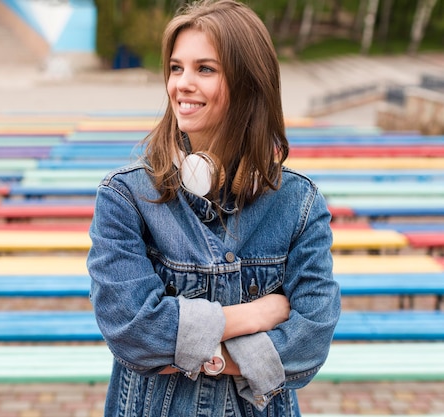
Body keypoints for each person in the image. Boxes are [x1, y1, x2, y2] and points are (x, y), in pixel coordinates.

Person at [87, 1, 341, 416]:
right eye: (175, 68)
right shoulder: (126, 196)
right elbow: (135, 333)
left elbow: (309, 342)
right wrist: (257, 314)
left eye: (205, 69)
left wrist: (205, 354)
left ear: (248, 84)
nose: (182, 84)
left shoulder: (300, 203)